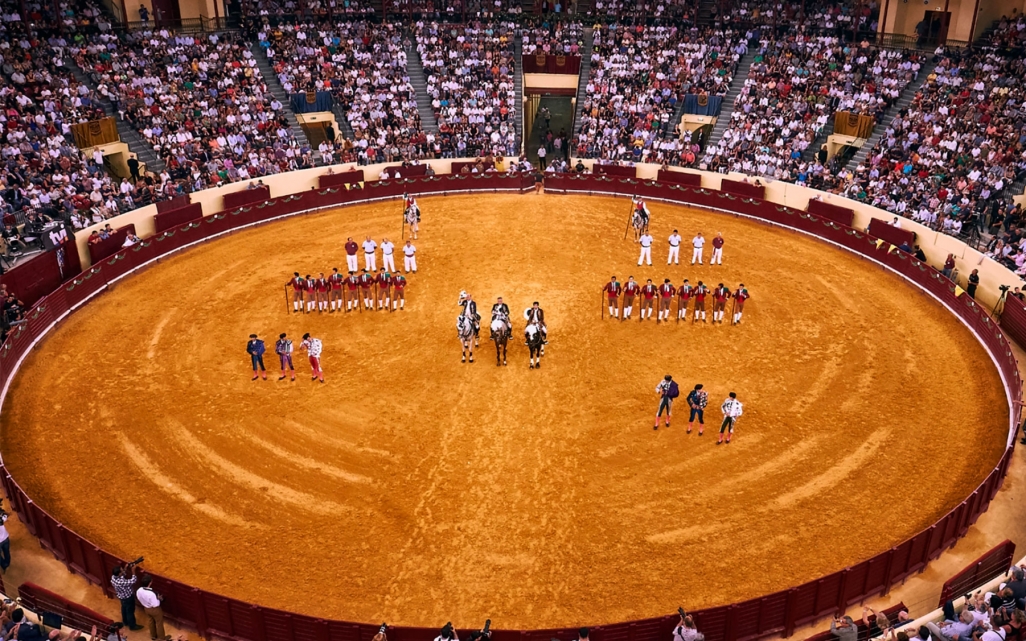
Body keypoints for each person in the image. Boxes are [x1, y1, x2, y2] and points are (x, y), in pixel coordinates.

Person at [111, 562, 144, 630]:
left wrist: (125, 568)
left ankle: (125, 622)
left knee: (124, 608)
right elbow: (133, 580)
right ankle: (132, 626)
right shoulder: (120, 582)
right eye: (121, 570)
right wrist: (133, 571)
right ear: (119, 573)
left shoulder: (114, 577)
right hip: (128, 597)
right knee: (130, 611)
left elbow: (122, 576)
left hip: (122, 597)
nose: (123, 570)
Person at [135, 575, 168, 641]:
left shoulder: (139, 590)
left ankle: (153, 636)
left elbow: (138, 598)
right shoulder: (151, 594)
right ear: (150, 583)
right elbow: (155, 604)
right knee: (159, 623)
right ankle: (161, 638)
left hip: (146, 608)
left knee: (151, 621)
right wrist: (158, 598)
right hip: (154, 609)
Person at [0, 500, 10, 572]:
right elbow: (6, 515)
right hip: (5, 538)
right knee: (6, 552)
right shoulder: (1, 518)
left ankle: (4, 565)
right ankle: (7, 563)